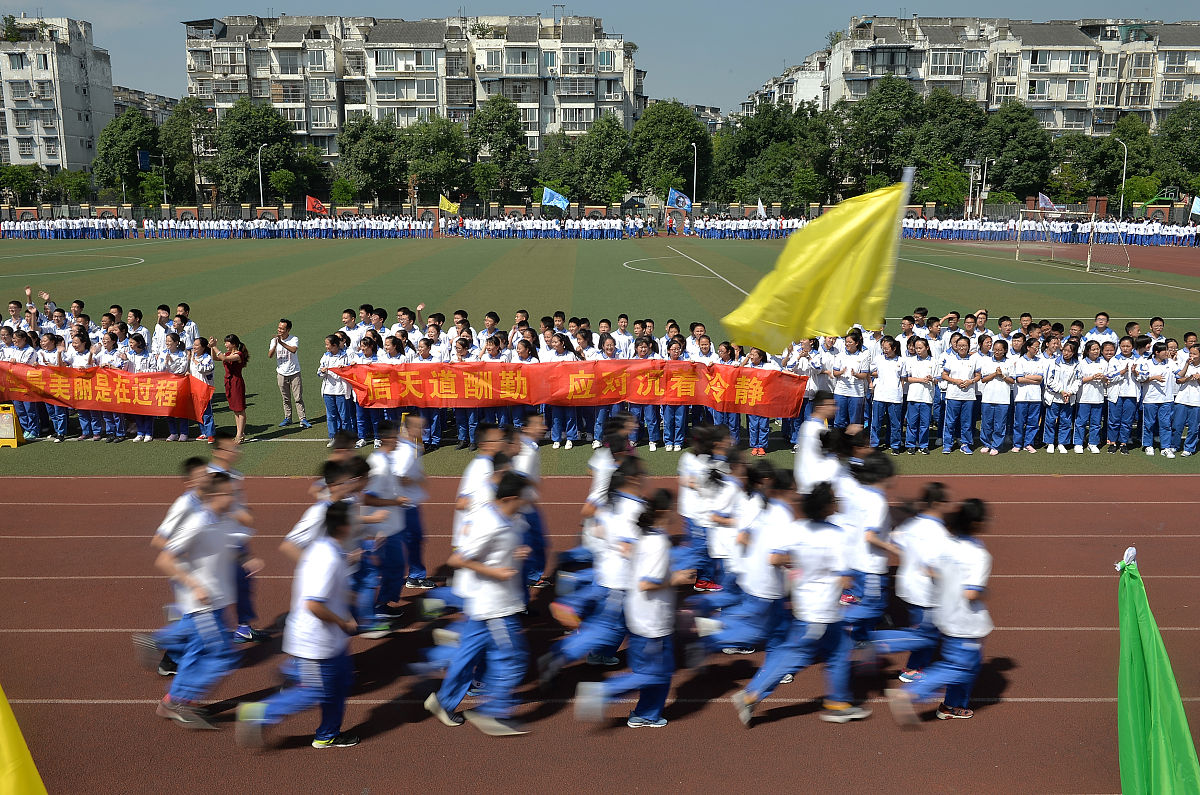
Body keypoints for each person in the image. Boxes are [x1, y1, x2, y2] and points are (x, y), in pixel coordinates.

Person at [731, 481, 871, 726]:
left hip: (807, 604)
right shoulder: (835, 536)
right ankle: (751, 695)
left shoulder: (797, 529)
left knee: (836, 651)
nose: (837, 502)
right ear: (826, 506)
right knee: (797, 655)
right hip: (822, 610)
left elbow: (775, 558)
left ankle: (838, 702)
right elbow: (844, 578)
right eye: (833, 499)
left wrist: (801, 561)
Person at [133, 472, 262, 729]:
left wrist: (245, 560)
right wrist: (194, 585)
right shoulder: (198, 522)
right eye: (228, 493)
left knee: (194, 653)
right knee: (223, 656)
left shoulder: (224, 520)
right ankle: (177, 699)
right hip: (203, 604)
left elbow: (231, 547)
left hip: (217, 604)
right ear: (214, 495)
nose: (233, 497)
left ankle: (172, 697)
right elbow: (165, 559)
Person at [236, 501, 360, 749]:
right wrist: (343, 620)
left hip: (330, 641)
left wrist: (347, 597)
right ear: (345, 527)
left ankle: (328, 734)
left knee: (340, 682)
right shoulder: (328, 558)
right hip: (316, 642)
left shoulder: (327, 549)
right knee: (315, 691)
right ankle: (259, 713)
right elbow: (313, 604)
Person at [574, 489, 696, 728]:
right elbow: (647, 583)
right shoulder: (659, 542)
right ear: (663, 512)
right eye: (671, 509)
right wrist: (676, 579)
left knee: (658, 670)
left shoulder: (645, 535)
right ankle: (603, 693)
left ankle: (647, 714)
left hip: (643, 615)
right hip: (651, 621)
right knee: (654, 673)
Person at [424, 471, 533, 737]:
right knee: (512, 659)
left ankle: (443, 701)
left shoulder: (505, 518)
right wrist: (495, 572)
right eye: (523, 497)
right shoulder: (491, 522)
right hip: (495, 607)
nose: (528, 500)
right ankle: (492, 712)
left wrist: (512, 553)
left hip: (483, 607)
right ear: (509, 498)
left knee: (466, 655)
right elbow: (458, 560)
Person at [887, 498, 992, 724]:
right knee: (959, 667)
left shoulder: (946, 544)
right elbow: (972, 593)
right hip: (965, 621)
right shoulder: (979, 554)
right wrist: (984, 593)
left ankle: (953, 706)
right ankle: (911, 693)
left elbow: (930, 570)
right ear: (977, 524)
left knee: (968, 663)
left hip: (945, 614)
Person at [869, 482, 951, 683]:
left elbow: (897, 540)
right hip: (925, 592)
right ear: (938, 503)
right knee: (926, 635)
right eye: (947, 501)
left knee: (924, 630)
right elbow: (931, 568)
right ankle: (911, 667)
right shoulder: (939, 533)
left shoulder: (912, 524)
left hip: (907, 586)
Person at [270, 318, 310, 429]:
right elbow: (270, 355)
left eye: (282, 329)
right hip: (281, 373)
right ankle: (288, 418)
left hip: (294, 373)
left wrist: (281, 343)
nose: (279, 330)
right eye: (279, 328)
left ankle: (303, 419)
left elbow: (293, 350)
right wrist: (275, 344)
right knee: (285, 398)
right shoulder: (274, 341)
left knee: (298, 398)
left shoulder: (294, 339)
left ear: (288, 330)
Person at [212, 333, 250, 443]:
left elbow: (224, 358)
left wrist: (214, 346)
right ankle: (240, 433)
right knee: (235, 409)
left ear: (233, 344)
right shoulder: (229, 353)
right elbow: (215, 357)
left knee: (240, 409)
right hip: (229, 382)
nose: (225, 344)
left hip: (236, 382)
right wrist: (211, 347)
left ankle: (240, 435)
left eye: (226, 342)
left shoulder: (238, 355)